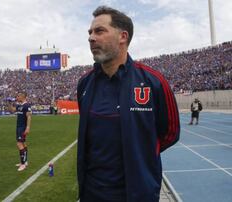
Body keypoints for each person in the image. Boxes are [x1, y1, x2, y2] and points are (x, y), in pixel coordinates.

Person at [77, 6, 180, 202]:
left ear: (123, 36)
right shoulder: (85, 83)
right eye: (90, 32)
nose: (91, 38)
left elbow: (171, 133)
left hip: (138, 193)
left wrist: (142, 151)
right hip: (92, 193)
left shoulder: (153, 81)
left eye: (99, 31)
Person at [7, 92, 32, 171]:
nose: (17, 97)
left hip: (22, 127)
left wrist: (28, 127)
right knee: (23, 143)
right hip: (19, 127)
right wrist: (9, 104)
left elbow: (29, 117)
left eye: (18, 96)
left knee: (19, 144)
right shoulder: (19, 105)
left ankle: (23, 164)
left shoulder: (26, 105)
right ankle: (25, 161)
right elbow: (12, 111)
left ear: (22, 97)